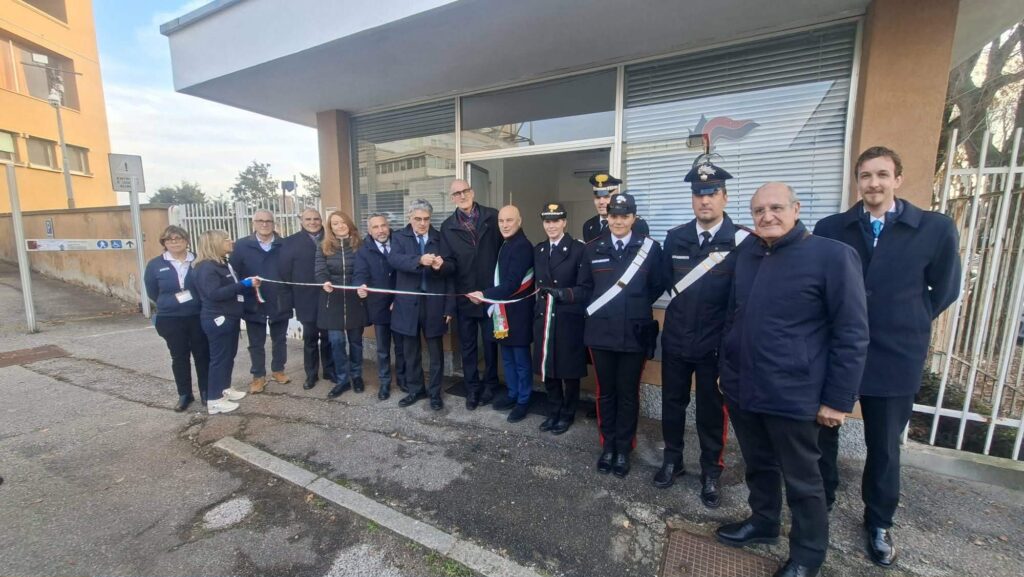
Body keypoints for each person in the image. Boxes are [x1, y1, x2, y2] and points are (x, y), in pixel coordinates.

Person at [815, 146, 961, 568]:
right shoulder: (832, 228)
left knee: (883, 446)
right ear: (856, 181)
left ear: (897, 179)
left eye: (882, 175)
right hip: (837, 350)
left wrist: (907, 319)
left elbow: (945, 289)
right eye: (865, 176)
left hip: (894, 354)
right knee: (823, 432)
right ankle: (820, 502)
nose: (873, 183)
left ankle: (878, 521)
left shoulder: (934, 229)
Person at [716, 183, 869, 577]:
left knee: (804, 480)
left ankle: (808, 554)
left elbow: (851, 333)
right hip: (744, 387)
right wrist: (726, 370)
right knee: (758, 464)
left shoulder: (832, 256)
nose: (767, 216)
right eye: (759, 210)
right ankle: (763, 522)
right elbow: (735, 315)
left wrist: (838, 400)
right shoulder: (748, 253)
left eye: (776, 207)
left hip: (795, 392)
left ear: (796, 209)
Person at [654, 157, 749, 509]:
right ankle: (673, 460)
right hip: (677, 339)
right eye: (698, 194)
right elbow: (665, 282)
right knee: (672, 405)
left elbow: (743, 299)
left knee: (712, 411)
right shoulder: (676, 237)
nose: (704, 200)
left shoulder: (741, 241)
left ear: (724, 197)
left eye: (711, 193)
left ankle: (711, 471)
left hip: (715, 346)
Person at [579, 192, 664, 478]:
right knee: (606, 393)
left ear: (633, 218)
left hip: (634, 333)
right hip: (601, 333)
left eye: (624, 216)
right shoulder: (592, 248)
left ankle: (624, 449)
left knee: (628, 394)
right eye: (613, 215)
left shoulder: (650, 249)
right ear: (607, 217)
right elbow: (586, 288)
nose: (618, 221)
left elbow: (657, 284)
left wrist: (635, 303)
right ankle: (608, 446)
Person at [467, 205, 535, 422]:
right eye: (501, 221)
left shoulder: (523, 246)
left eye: (509, 220)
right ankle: (513, 394)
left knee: (521, 360)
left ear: (519, 221)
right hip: (504, 310)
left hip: (518, 312)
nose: (505, 225)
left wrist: (484, 294)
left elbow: (512, 284)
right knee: (507, 358)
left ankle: (523, 400)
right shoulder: (507, 244)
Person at [439, 179, 501, 409]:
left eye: (465, 191)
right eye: (457, 193)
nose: (462, 195)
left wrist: (493, 291)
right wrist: (440, 266)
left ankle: (491, 385)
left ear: (472, 192)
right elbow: (450, 265)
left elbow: (503, 252)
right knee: (468, 347)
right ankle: (472, 389)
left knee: (491, 344)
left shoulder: (492, 217)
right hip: (465, 298)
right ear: (452, 198)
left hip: (489, 296)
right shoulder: (448, 226)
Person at [389, 199, 454, 411]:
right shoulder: (399, 236)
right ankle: (416, 390)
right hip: (407, 304)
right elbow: (395, 261)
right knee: (410, 351)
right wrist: (419, 260)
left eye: (426, 219)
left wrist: (441, 266)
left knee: (436, 352)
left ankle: (435, 394)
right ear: (410, 218)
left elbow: (452, 271)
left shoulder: (440, 237)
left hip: (434, 304)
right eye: (418, 219)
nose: (422, 223)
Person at [532, 203, 590, 435]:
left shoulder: (578, 249)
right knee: (549, 368)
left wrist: (563, 294)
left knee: (569, 371)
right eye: (547, 221)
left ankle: (567, 414)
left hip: (568, 318)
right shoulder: (539, 250)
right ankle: (554, 410)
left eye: (556, 220)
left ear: (564, 222)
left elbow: (585, 288)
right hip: (544, 317)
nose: (551, 225)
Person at [144, 225, 209, 412]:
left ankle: (206, 390)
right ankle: (185, 394)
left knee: (202, 354)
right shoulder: (156, 264)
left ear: (186, 240)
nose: (174, 242)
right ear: (164, 243)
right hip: (170, 317)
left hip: (197, 315)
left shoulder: (197, 259)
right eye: (170, 239)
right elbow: (152, 291)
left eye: (179, 238)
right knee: (179, 356)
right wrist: (170, 303)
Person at [193, 229, 257, 415]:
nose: (231, 241)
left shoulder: (222, 263)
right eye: (226, 239)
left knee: (228, 355)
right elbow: (214, 294)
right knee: (219, 359)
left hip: (231, 316)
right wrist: (242, 285)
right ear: (214, 244)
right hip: (218, 318)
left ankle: (224, 388)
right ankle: (214, 399)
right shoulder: (206, 267)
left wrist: (245, 284)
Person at [230, 210, 291, 394]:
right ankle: (258, 376)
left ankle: (278, 370)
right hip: (253, 299)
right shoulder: (241, 246)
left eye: (268, 221)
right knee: (256, 341)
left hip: (279, 298)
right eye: (260, 221)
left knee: (279, 339)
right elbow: (235, 273)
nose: (264, 224)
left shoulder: (284, 244)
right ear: (253, 223)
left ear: (274, 223)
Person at [279, 208, 336, 390]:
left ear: (321, 220)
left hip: (328, 295)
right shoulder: (290, 242)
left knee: (328, 336)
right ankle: (311, 374)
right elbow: (285, 272)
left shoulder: (332, 239)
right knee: (310, 338)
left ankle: (329, 370)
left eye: (316, 219)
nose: (313, 222)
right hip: (305, 298)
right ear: (301, 221)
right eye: (308, 219)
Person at [316, 211, 369, 399]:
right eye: (335, 223)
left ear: (348, 223)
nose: (339, 226)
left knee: (356, 342)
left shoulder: (360, 245)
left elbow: (364, 270)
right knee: (337, 342)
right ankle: (342, 379)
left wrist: (362, 285)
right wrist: (324, 281)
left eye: (342, 222)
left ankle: (357, 376)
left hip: (355, 300)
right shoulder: (323, 246)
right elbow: (320, 269)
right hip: (333, 301)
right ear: (330, 228)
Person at [355, 212, 406, 400]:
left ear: (388, 226)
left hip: (400, 304)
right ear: (369, 231)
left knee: (401, 347)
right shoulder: (363, 250)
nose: (380, 230)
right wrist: (360, 286)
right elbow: (359, 274)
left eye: (383, 225)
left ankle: (403, 379)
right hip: (378, 306)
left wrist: (398, 299)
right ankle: (384, 383)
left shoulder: (399, 244)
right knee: (383, 349)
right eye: (375, 227)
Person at [581, 172, 649, 242]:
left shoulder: (635, 224)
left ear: (617, 196)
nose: (601, 202)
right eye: (597, 197)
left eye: (606, 197)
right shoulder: (589, 225)